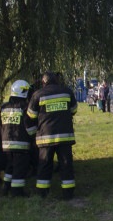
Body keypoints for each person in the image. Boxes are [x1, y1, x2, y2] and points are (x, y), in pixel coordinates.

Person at [26, 71, 79, 200]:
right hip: (64, 137)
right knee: (66, 165)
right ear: (57, 80)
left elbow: (31, 116)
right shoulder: (67, 92)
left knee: (44, 165)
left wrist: (32, 134)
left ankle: (42, 194)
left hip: (45, 138)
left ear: (43, 82)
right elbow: (74, 110)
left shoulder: (37, 95)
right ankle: (68, 195)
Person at [0, 79, 37, 197]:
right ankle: (17, 192)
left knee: (9, 167)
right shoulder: (24, 108)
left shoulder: (4, 107)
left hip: (6, 145)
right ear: (24, 92)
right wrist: (34, 137)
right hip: (21, 145)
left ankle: (5, 188)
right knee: (20, 168)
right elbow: (29, 127)